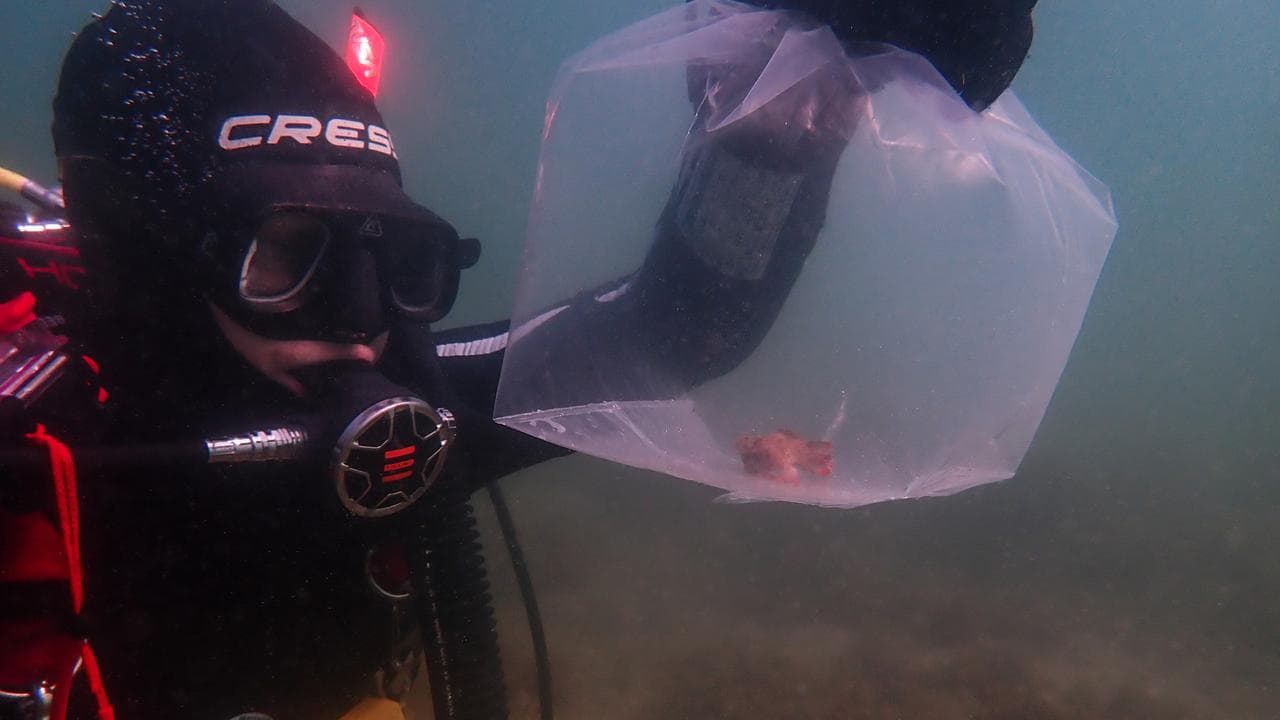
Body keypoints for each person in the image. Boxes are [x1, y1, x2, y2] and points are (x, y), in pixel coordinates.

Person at [0, 0, 1036, 718]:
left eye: (394, 261)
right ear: (156, 263)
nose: (363, 325)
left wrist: (773, 128)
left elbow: (673, 331)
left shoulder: (399, 407)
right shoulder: (29, 460)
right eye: (288, 257)